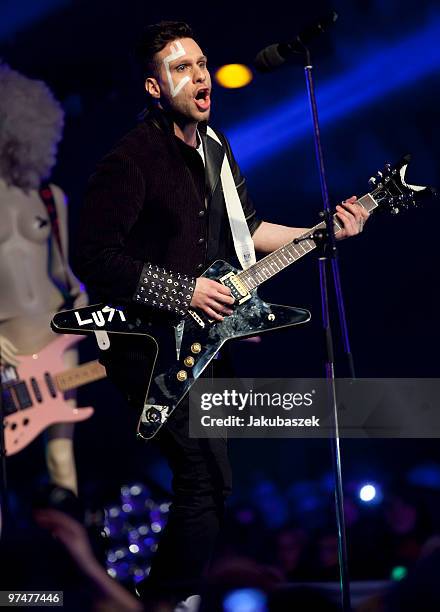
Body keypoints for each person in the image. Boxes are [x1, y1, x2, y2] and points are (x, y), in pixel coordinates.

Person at [74, 21, 369, 603]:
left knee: (214, 482)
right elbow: (92, 256)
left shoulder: (216, 147)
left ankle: (169, 598)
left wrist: (323, 232)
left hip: (201, 342)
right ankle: (159, 602)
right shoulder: (132, 160)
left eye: (202, 64)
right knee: (204, 481)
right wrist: (181, 292)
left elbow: (251, 231)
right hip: (144, 344)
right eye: (181, 68)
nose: (200, 76)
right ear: (154, 87)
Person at [0, 62, 88, 494]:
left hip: (57, 341)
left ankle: (73, 542)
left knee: (62, 464)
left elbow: (65, 274)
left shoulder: (50, 199)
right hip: (7, 354)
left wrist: (84, 306)